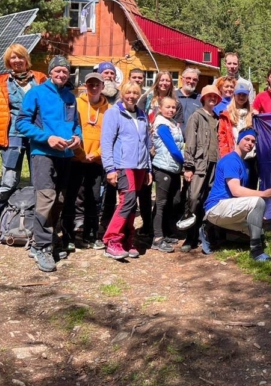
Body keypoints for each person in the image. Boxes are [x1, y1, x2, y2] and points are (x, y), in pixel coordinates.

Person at [16, 55, 82, 273]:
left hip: (65, 156)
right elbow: (22, 123)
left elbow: (75, 125)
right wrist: (47, 138)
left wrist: (77, 138)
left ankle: (48, 237)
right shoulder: (36, 93)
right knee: (46, 198)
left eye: (65, 71)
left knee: (60, 200)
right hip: (42, 153)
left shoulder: (70, 97)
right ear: (50, 72)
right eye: (57, 71)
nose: (61, 74)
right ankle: (41, 247)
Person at [0, 46, 47, 231]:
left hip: (37, 137)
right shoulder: (0, 82)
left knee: (38, 180)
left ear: (26, 59)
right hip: (11, 137)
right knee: (9, 180)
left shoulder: (40, 79)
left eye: (20, 57)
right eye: (12, 58)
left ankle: (35, 224)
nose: (17, 61)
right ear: (8, 61)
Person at [204, 128, 271, 261]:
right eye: (247, 139)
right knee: (259, 201)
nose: (250, 143)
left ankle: (214, 233)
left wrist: (257, 214)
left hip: (228, 208)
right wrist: (263, 194)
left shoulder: (244, 163)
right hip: (216, 207)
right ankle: (256, 252)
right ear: (238, 140)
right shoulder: (231, 160)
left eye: (253, 141)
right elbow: (236, 191)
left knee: (259, 232)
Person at [100, 81, 152, 261]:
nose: (131, 96)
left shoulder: (142, 115)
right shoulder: (113, 113)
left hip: (140, 166)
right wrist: (110, 169)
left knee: (132, 203)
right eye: (128, 92)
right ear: (122, 93)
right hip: (123, 164)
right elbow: (106, 142)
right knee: (126, 201)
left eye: (135, 93)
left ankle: (127, 241)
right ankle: (112, 240)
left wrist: (148, 168)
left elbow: (146, 143)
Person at [61, 73, 108, 251]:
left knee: (93, 199)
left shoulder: (109, 109)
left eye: (97, 84)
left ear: (103, 86)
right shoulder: (75, 104)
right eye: (90, 84)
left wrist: (96, 154)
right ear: (85, 86)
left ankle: (90, 234)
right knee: (71, 198)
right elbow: (70, 129)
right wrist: (80, 153)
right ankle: (68, 236)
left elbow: (110, 137)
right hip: (75, 158)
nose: (94, 87)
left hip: (96, 161)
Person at [180, 85, 221, 253]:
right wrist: (188, 166)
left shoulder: (218, 118)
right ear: (203, 98)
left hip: (215, 164)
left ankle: (204, 234)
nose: (212, 98)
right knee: (193, 199)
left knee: (209, 200)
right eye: (209, 96)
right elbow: (190, 142)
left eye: (215, 96)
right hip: (199, 164)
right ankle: (189, 237)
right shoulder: (196, 117)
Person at [151, 96, 185, 253]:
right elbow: (172, 148)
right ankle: (157, 238)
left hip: (173, 168)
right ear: (160, 107)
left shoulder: (172, 123)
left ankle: (165, 232)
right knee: (161, 203)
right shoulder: (162, 125)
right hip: (163, 167)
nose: (171, 110)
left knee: (174, 201)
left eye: (173, 107)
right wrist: (185, 163)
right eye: (168, 107)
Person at [219, 79, 258, 190]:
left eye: (244, 95)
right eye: (239, 94)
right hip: (234, 156)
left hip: (251, 157)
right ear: (234, 95)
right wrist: (226, 157)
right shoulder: (226, 114)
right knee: (235, 188)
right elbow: (222, 138)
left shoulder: (253, 115)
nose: (241, 97)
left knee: (250, 188)